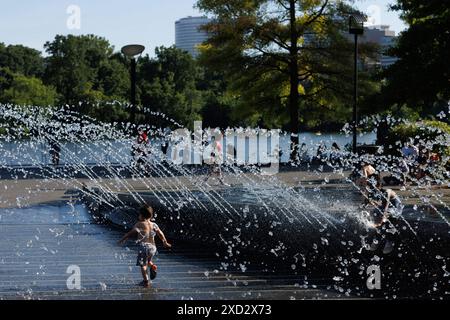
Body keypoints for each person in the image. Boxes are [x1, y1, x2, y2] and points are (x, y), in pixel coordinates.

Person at [118, 204, 172, 288]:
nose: (138, 216)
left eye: (139, 214)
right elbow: (160, 233)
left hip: (144, 247)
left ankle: (146, 281)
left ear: (142, 216)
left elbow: (130, 233)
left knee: (142, 265)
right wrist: (165, 242)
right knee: (148, 261)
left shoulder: (139, 224)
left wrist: (122, 239)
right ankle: (152, 267)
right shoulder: (154, 224)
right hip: (153, 248)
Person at [367, 179, 404, 254]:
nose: (372, 188)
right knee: (375, 212)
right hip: (387, 209)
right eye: (371, 187)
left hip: (395, 208)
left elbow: (385, 208)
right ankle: (377, 238)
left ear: (379, 186)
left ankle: (389, 241)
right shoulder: (374, 193)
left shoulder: (388, 191)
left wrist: (380, 222)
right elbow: (378, 206)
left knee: (384, 216)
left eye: (374, 186)